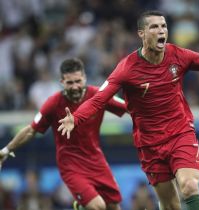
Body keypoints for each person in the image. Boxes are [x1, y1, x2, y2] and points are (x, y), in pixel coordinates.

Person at [57, 10, 199, 210]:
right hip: (149, 143)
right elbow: (99, 99)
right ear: (141, 34)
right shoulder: (126, 68)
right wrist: (75, 118)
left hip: (180, 132)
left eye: (163, 26)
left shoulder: (178, 56)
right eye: (154, 26)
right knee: (170, 204)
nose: (161, 30)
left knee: (189, 186)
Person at [0, 58, 127, 210]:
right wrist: (7, 150)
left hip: (96, 160)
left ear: (85, 78)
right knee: (98, 206)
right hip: (70, 164)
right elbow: (31, 130)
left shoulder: (98, 95)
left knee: (113, 206)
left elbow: (129, 107)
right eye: (69, 83)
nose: (74, 87)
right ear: (61, 82)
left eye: (78, 81)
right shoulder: (53, 103)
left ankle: (80, 206)